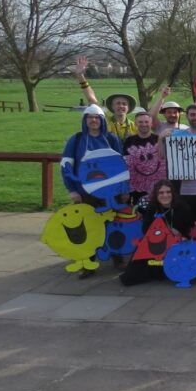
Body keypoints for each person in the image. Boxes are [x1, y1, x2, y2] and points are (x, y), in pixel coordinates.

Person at [61, 104, 128, 277]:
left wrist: (123, 189)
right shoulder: (76, 140)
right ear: (85, 120)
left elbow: (120, 165)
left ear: (102, 120)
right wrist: (72, 190)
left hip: (110, 192)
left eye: (96, 117)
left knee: (113, 225)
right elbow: (66, 165)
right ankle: (88, 264)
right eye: (90, 117)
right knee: (88, 228)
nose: (93, 120)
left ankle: (118, 258)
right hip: (85, 193)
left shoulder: (111, 139)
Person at [119, 181, 194, 287]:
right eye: (161, 193)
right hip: (157, 241)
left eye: (168, 192)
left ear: (173, 193)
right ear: (156, 194)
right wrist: (162, 231)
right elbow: (145, 229)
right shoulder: (152, 207)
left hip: (178, 241)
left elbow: (189, 227)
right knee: (129, 278)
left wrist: (183, 235)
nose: (165, 195)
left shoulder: (182, 207)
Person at [73, 55, 135, 141]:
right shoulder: (105, 121)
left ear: (129, 107)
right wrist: (80, 76)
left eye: (124, 104)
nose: (121, 106)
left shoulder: (135, 126)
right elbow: (91, 99)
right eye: (118, 103)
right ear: (112, 107)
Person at [123, 110, 161, 204]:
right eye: (140, 122)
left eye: (146, 122)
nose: (144, 124)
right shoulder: (129, 141)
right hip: (136, 186)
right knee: (138, 209)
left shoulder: (158, 139)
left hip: (156, 186)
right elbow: (124, 164)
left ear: (151, 123)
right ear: (135, 123)